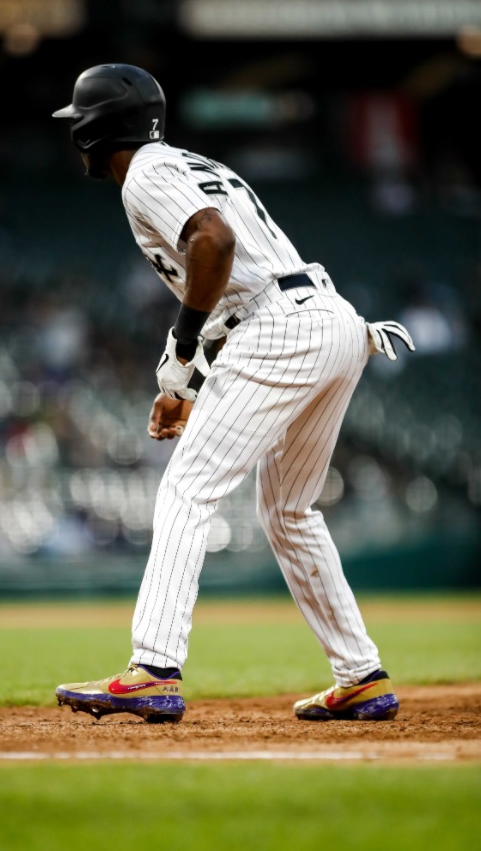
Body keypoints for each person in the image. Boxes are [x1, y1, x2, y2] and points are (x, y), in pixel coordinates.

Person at [52, 64, 414, 724]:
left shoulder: (145, 174)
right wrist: (181, 377)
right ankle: (360, 673)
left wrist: (184, 353)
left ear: (95, 129)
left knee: (188, 488)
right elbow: (220, 271)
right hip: (329, 320)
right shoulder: (184, 163)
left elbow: (212, 242)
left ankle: (154, 666)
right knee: (289, 509)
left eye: (78, 122)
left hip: (276, 325)